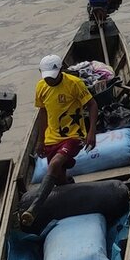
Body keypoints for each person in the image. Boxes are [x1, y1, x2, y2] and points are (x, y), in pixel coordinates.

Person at [33, 55, 98, 186]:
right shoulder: (41, 87)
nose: (50, 81)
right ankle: (68, 184)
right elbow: (43, 112)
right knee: (58, 178)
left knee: (55, 163)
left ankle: (38, 201)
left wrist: (92, 132)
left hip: (74, 135)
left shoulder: (74, 83)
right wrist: (40, 141)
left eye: (53, 77)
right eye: (47, 78)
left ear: (61, 70)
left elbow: (92, 105)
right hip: (52, 137)